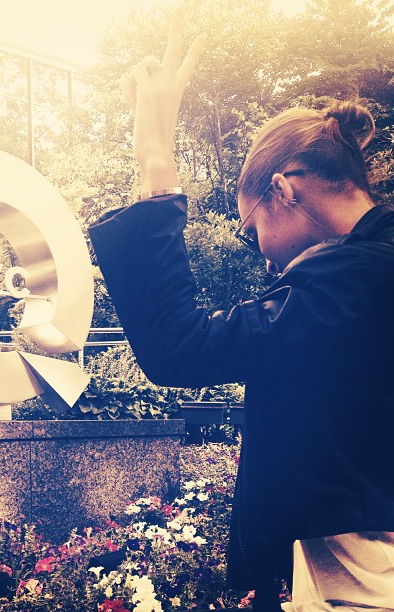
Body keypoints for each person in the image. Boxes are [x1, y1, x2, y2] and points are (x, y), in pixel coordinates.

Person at [87, 6, 394, 611]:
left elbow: (180, 347)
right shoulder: (372, 268)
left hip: (366, 576)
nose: (263, 257)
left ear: (283, 190)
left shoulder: (356, 279)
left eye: (251, 230)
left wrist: (156, 168)